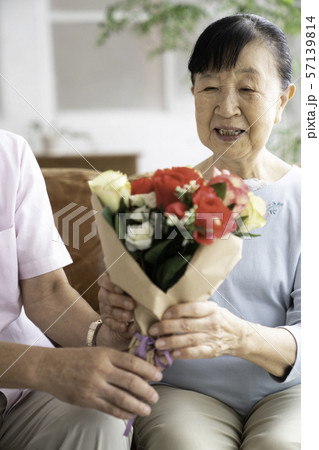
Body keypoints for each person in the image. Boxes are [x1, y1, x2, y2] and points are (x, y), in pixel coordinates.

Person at [98, 13, 301, 449]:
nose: (227, 107)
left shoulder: (309, 197)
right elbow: (134, 314)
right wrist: (119, 306)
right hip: (186, 391)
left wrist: (238, 336)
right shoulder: (158, 194)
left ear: (282, 101)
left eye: (247, 89)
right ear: (193, 93)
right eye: (210, 87)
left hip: (292, 391)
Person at [0, 129, 163, 450]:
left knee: (101, 420)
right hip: (27, 371)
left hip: (18, 397)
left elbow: (46, 290)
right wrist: (46, 367)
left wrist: (105, 337)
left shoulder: (9, 154)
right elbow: (44, 368)